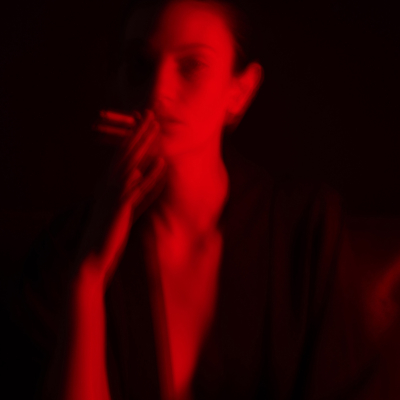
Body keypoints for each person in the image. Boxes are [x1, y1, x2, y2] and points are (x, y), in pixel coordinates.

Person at [14, 1, 380, 399]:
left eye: (192, 66)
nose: (158, 91)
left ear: (239, 91)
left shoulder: (305, 230)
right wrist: (88, 279)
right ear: (117, 79)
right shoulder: (64, 251)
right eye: (140, 63)